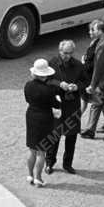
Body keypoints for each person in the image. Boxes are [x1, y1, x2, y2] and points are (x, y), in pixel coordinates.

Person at [43, 40, 87, 175]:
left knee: (71, 136)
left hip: (72, 104)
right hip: (57, 103)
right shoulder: (52, 63)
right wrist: (59, 83)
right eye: (64, 53)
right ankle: (49, 163)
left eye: (69, 53)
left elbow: (85, 81)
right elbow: (46, 80)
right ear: (59, 51)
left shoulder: (78, 65)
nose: (67, 55)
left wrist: (77, 86)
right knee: (54, 134)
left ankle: (68, 164)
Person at [24, 58, 61, 187]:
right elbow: (56, 104)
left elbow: (27, 99)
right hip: (44, 117)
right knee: (41, 151)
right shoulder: (49, 89)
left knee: (32, 149)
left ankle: (30, 175)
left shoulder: (28, 85)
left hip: (31, 115)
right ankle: (38, 177)